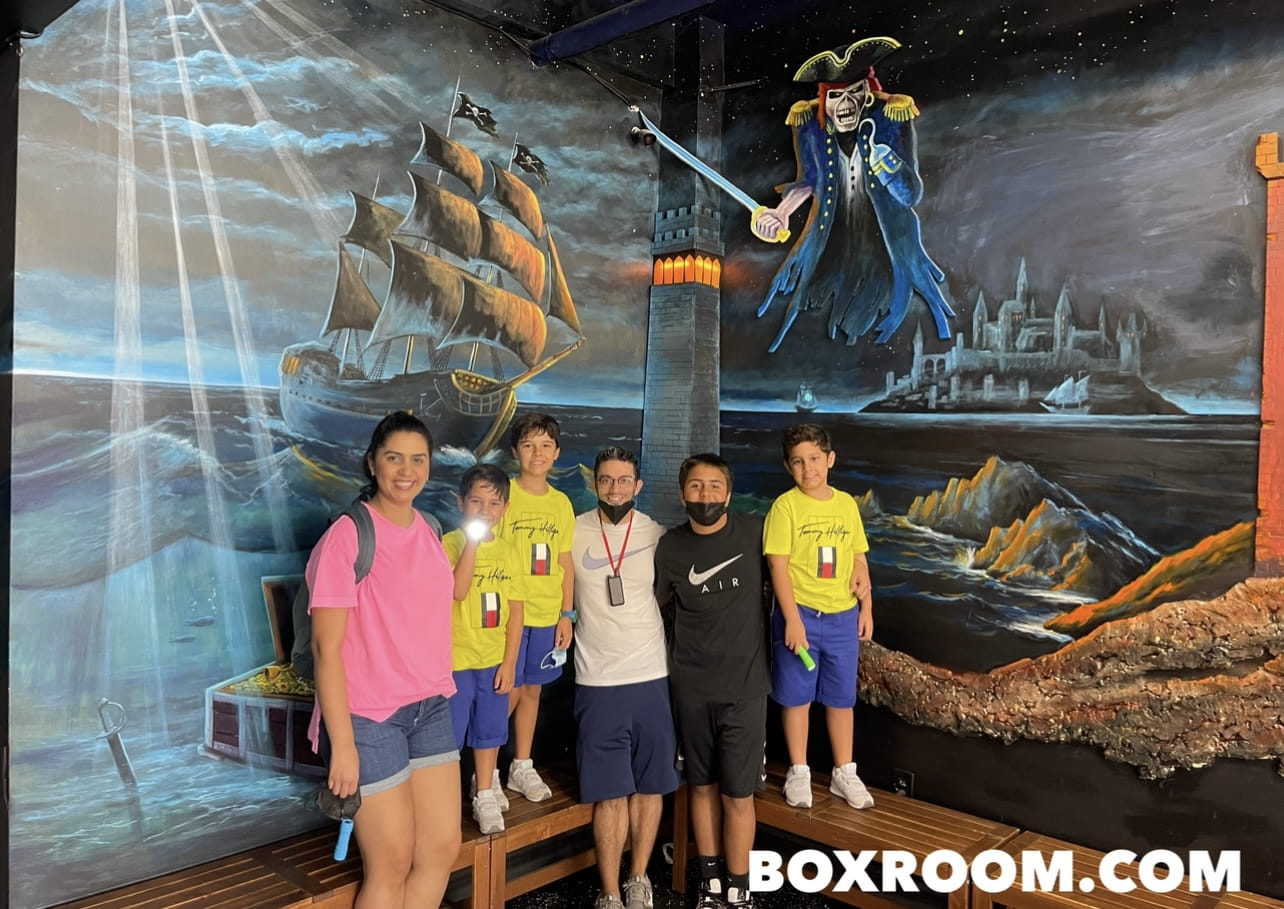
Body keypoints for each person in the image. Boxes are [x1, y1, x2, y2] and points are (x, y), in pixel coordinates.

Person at [307, 411, 460, 908]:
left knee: (440, 850)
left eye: (418, 459)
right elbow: (326, 648)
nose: (406, 470)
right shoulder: (348, 536)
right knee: (390, 863)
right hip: (368, 718)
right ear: (372, 462)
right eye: (394, 458)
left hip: (430, 706)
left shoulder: (430, 527)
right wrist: (343, 746)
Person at [752, 36, 954, 351]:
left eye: (854, 93)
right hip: (831, 238)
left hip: (887, 243)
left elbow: (910, 195)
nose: (845, 105)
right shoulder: (810, 124)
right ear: (825, 100)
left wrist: (888, 165)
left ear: (867, 93)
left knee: (876, 318)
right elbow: (809, 179)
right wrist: (781, 213)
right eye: (835, 96)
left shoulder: (891, 115)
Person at [654, 454, 770, 909]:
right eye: (697, 486)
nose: (706, 495)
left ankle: (739, 888)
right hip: (691, 688)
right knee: (700, 786)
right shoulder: (669, 547)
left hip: (745, 688)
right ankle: (710, 885)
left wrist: (858, 574)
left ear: (729, 492)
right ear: (682, 493)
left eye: (715, 486)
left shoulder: (755, 532)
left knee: (738, 794)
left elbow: (794, 571)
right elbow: (651, 608)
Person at [571, 447, 679, 909]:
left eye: (623, 480)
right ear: (594, 483)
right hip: (596, 679)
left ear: (638, 485)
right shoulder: (573, 530)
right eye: (606, 480)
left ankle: (639, 879)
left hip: (652, 674)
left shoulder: (657, 534)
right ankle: (610, 891)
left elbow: (671, 592)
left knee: (650, 787)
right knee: (610, 793)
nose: (615, 489)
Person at [763, 424, 875, 811]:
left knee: (841, 698)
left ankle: (845, 771)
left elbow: (859, 557)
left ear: (830, 459)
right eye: (797, 462)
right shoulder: (785, 507)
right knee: (796, 697)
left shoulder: (846, 505)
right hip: (801, 615)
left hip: (843, 615)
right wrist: (792, 620)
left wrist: (867, 606)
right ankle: (799, 769)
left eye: (814, 459)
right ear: (787, 466)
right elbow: (778, 567)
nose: (807, 468)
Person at [495, 412, 576, 803]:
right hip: (509, 617)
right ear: (515, 451)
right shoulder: (504, 497)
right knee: (505, 692)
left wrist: (567, 614)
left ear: (557, 452)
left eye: (545, 445)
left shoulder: (561, 504)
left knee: (531, 692)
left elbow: (565, 563)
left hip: (546, 615)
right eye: (528, 445)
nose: (537, 453)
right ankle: (485, 771)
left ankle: (521, 765)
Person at [444, 464, 526, 834]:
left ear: (505, 508)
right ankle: (444, 801)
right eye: (476, 501)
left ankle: (484, 792)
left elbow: (516, 612)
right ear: (461, 502)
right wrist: (473, 543)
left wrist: (509, 662)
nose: (485, 510)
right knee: (450, 737)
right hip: (457, 661)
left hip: (493, 660)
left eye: (494, 503)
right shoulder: (448, 544)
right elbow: (457, 591)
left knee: (490, 732)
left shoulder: (510, 551)